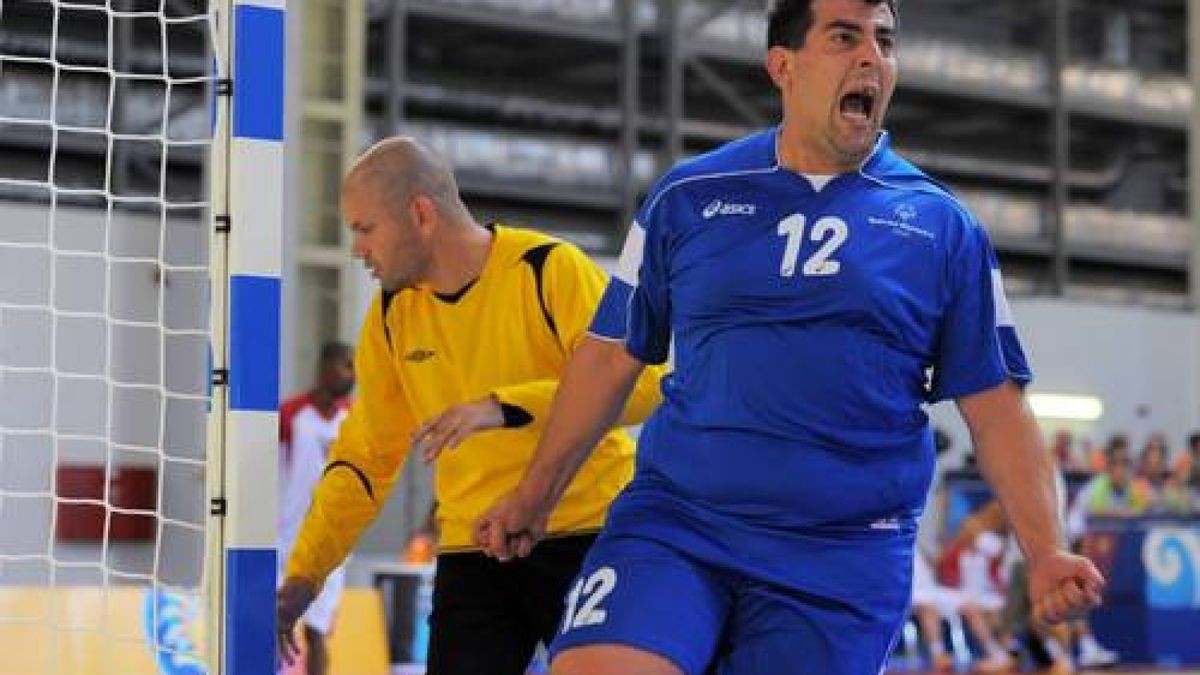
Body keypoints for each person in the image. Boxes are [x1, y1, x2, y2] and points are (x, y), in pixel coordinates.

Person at [475, 0, 1105, 672]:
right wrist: (534, 493)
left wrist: (1043, 550)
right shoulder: (687, 197)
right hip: (678, 525)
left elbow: (998, 409)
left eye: (884, 41)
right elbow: (608, 357)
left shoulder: (942, 228)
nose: (872, 57)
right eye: (844, 37)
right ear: (783, 66)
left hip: (840, 558)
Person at [275, 137, 664, 675]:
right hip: (474, 551)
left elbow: (642, 380)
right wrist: (304, 575)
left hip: (589, 535)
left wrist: (503, 406)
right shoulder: (391, 318)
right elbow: (364, 460)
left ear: (420, 214)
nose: (357, 249)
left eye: (365, 229)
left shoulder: (547, 270)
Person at [277, 341, 356, 675]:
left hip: (329, 543)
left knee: (317, 632)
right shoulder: (291, 414)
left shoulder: (353, 419)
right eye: (346, 365)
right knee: (270, 626)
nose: (353, 374)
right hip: (283, 540)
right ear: (324, 367)